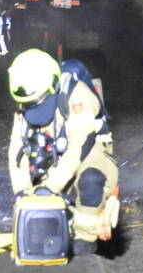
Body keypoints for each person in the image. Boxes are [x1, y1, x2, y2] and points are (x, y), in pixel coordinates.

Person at [6, 49, 119, 256]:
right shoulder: (24, 100)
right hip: (55, 152)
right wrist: (22, 191)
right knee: (38, 201)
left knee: (91, 180)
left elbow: (79, 147)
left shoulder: (78, 96)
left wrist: (51, 187)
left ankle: (86, 236)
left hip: (88, 150)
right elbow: (17, 147)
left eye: (39, 100)